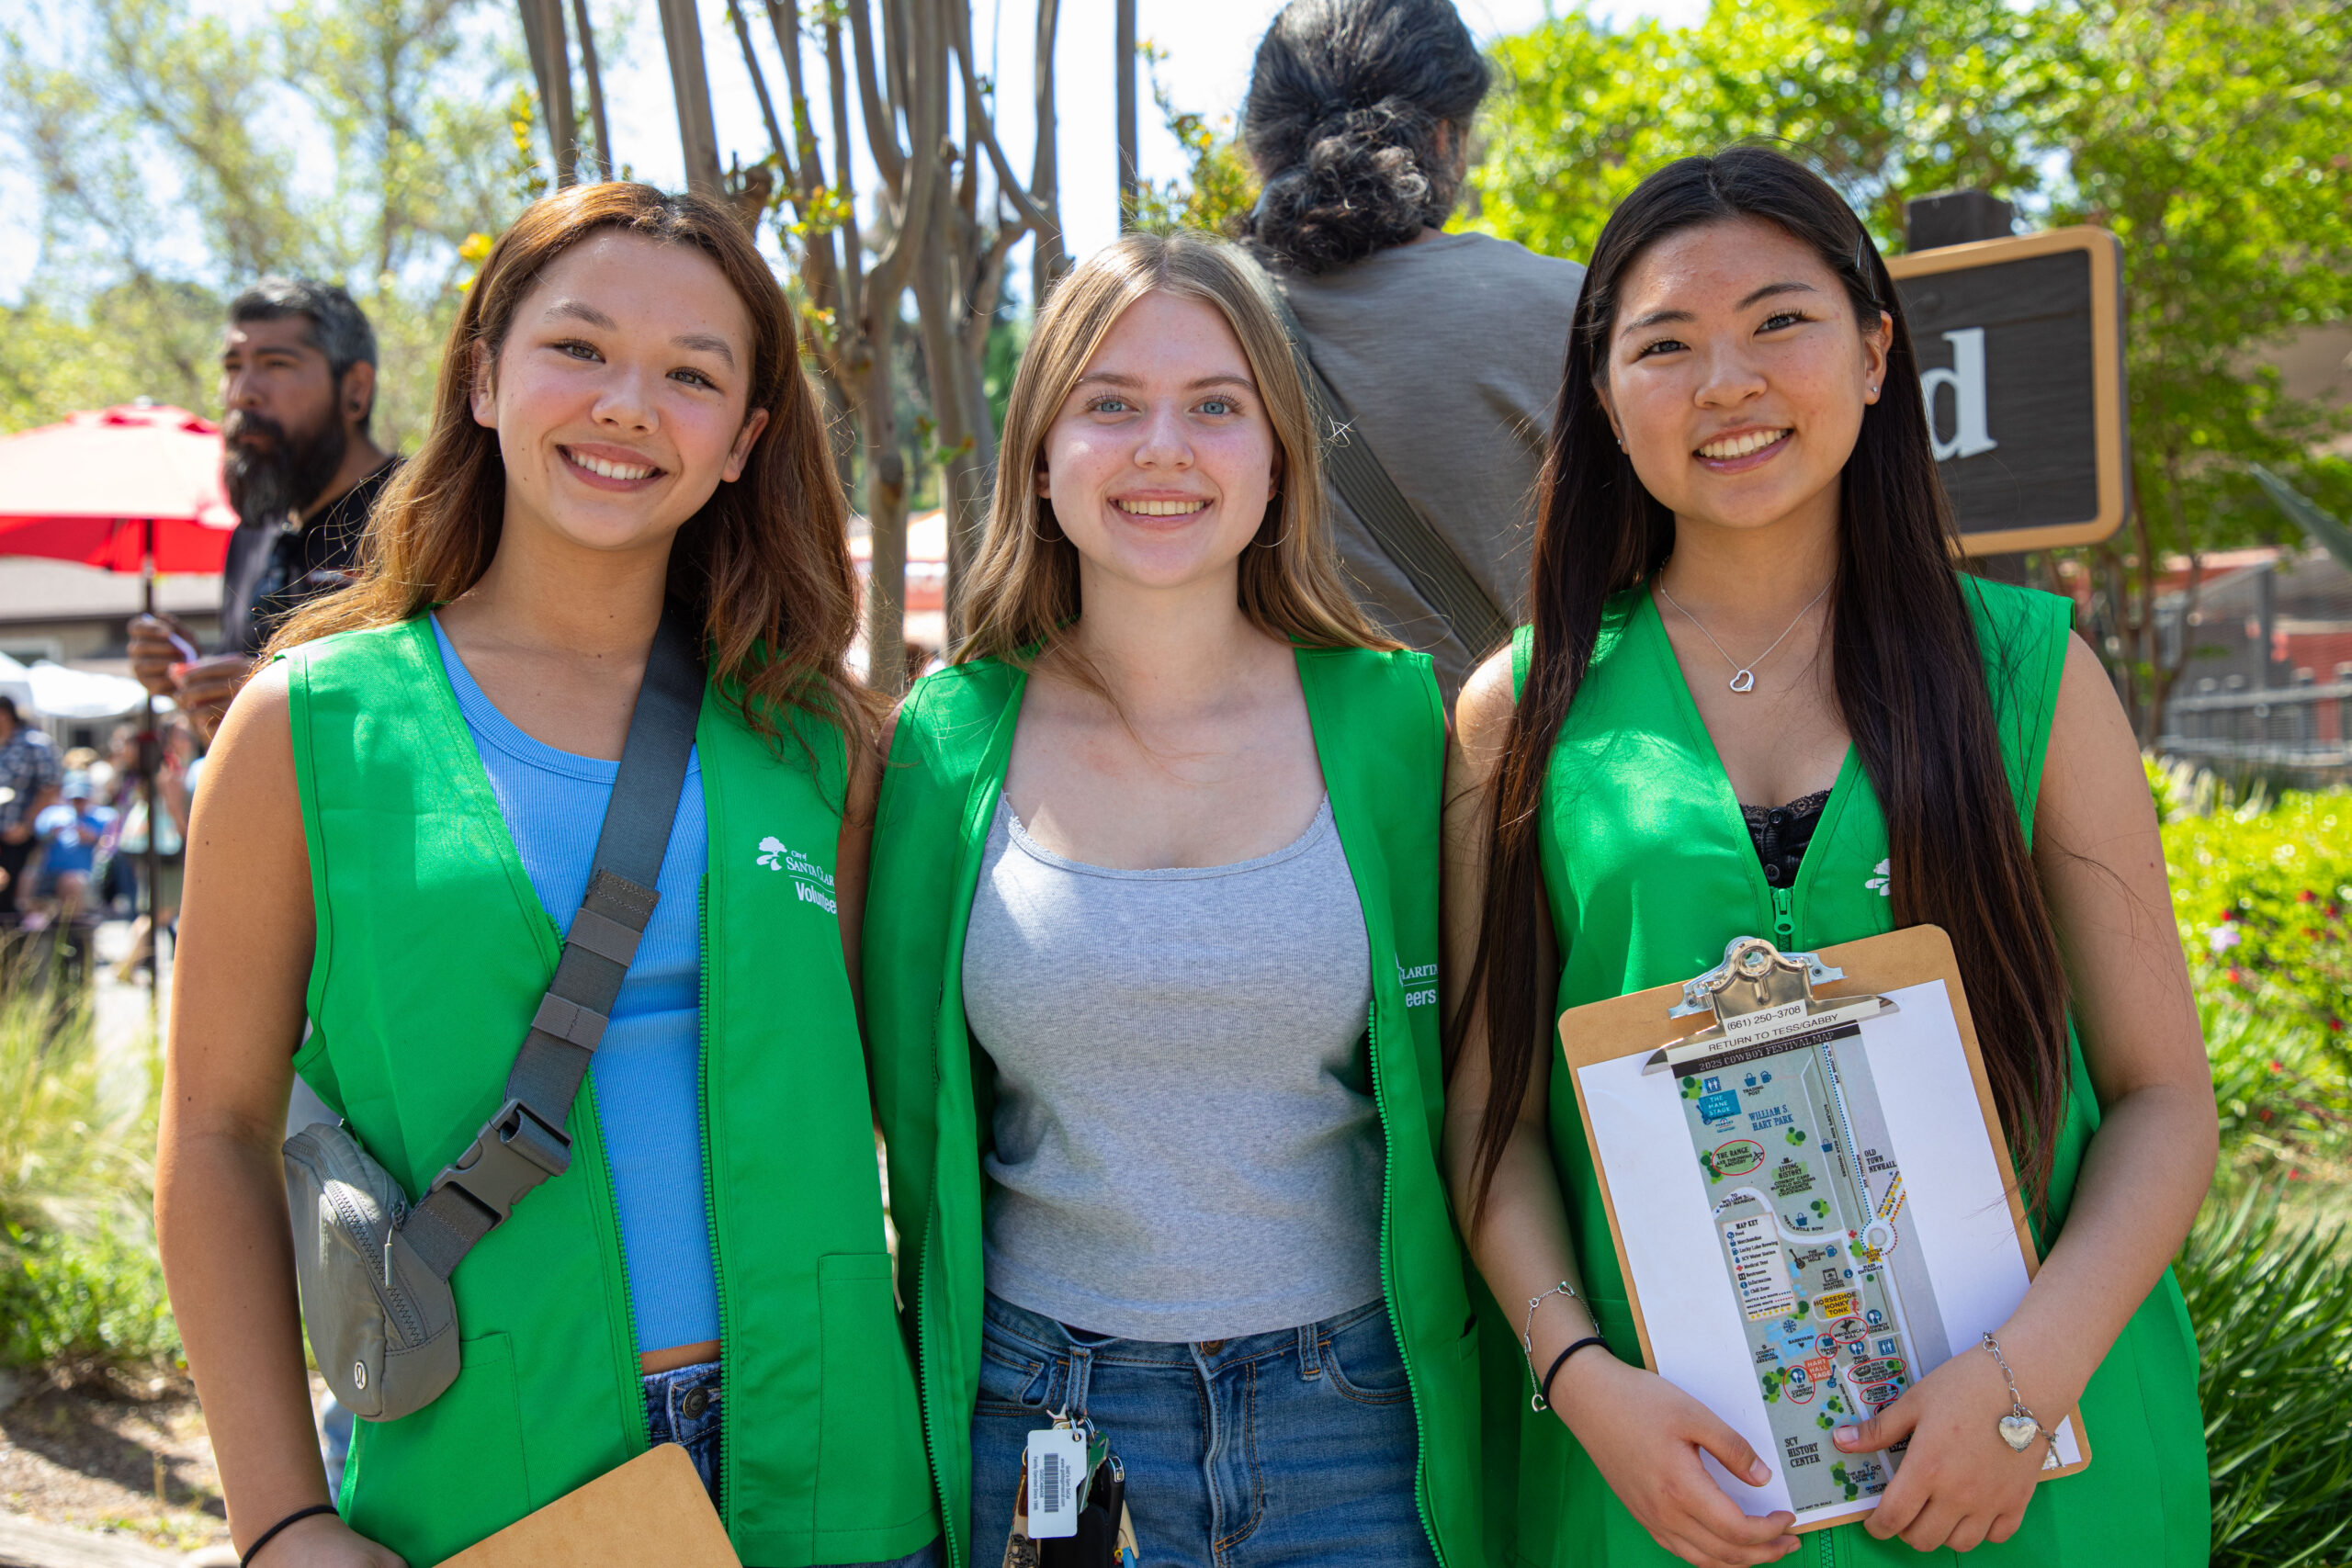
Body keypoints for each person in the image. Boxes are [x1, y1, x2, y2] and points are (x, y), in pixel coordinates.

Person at [1443, 147, 2211, 1568]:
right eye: (1663, 344)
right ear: (1606, 402)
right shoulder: (1520, 705)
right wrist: (1581, 1381)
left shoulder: (2031, 671)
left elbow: (2165, 1099)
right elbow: (1490, 1116)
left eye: (1779, 320)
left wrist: (2019, 1388)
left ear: (1874, 353)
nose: (1725, 381)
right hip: (1679, 1488)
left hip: (2029, 1474)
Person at [157, 183, 941, 1568]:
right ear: (479, 377)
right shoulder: (308, 726)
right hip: (490, 1482)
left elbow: (933, 1131)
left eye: (692, 374)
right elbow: (215, 1131)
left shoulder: (832, 745)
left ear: (747, 439)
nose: (628, 404)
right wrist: (278, 1519)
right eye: (578, 348)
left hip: (837, 1474)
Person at [861, 231, 1483, 1568]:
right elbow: (905, 1115)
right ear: (1040, 450)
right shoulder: (940, 739)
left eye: (1216, 404)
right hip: (1045, 1422)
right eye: (1110, 402)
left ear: (1277, 454)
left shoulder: (1395, 722)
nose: (1164, 446)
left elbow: (1477, 1088)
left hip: (1358, 1414)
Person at [1238, 0, 1586, 700]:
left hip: (1292, 797)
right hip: (1538, 786)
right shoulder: (1580, 310)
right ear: (1444, 138)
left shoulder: (1191, 325)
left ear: (1259, 148)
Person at [129, 277, 398, 740]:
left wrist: (277, 703)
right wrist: (196, 681)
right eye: (233, 367)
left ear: (355, 388)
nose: (242, 393)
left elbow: (452, 709)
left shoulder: (426, 513)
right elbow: (239, 723)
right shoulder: (251, 535)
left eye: (276, 363)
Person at [0, 694, 62, 921]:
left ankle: (16, 949)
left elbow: (51, 785)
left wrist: (26, 824)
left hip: (23, 835)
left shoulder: (34, 743)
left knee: (14, 898)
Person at [31, 772, 115, 922]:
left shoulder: (105, 817)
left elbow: (115, 845)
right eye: (73, 798)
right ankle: (23, 929)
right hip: (48, 876)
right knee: (27, 878)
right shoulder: (52, 815)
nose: (77, 802)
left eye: (81, 798)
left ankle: (73, 932)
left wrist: (94, 838)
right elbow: (38, 836)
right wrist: (53, 833)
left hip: (89, 880)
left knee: (71, 881)